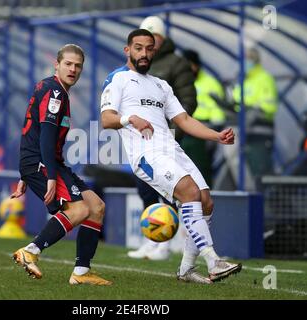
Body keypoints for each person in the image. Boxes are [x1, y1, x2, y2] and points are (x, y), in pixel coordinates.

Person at [101, 29, 242, 283]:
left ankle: (186, 270)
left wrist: (216, 135)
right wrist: (129, 118)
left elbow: (184, 120)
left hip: (172, 151)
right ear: (127, 50)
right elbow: (106, 119)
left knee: (206, 201)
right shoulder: (118, 80)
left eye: (149, 49)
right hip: (146, 155)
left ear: (154, 51)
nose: (144, 53)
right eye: (138, 48)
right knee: (190, 193)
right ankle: (213, 260)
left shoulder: (161, 85)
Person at [10, 44, 111, 286]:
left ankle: (81, 273)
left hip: (44, 162)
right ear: (57, 64)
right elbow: (45, 134)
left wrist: (25, 174)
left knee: (96, 206)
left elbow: (32, 130)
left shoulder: (54, 89)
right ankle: (31, 251)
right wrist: (50, 177)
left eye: (78, 66)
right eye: (68, 64)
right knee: (79, 210)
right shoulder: (55, 91)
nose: (73, 69)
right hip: (43, 163)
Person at [126, 16, 197, 261]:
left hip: (166, 140)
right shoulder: (139, 66)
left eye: (153, 37)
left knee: (171, 190)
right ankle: (152, 240)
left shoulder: (177, 64)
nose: (147, 44)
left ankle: (169, 244)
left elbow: (188, 102)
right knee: (145, 189)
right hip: (141, 141)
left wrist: (168, 132)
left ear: (162, 38)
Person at [215, 47, 278, 191]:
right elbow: (237, 101)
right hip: (240, 124)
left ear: (255, 60)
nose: (245, 62)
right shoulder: (242, 79)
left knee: (253, 164)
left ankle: (249, 190)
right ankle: (244, 188)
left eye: (248, 59)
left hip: (257, 127)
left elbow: (269, 105)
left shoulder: (264, 78)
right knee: (230, 154)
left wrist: (251, 109)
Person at [182, 49, 226, 187]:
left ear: (196, 65)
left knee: (201, 170)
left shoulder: (210, 83)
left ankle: (205, 201)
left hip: (202, 132)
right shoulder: (179, 81)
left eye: (190, 65)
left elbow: (219, 111)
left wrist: (213, 132)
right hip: (183, 130)